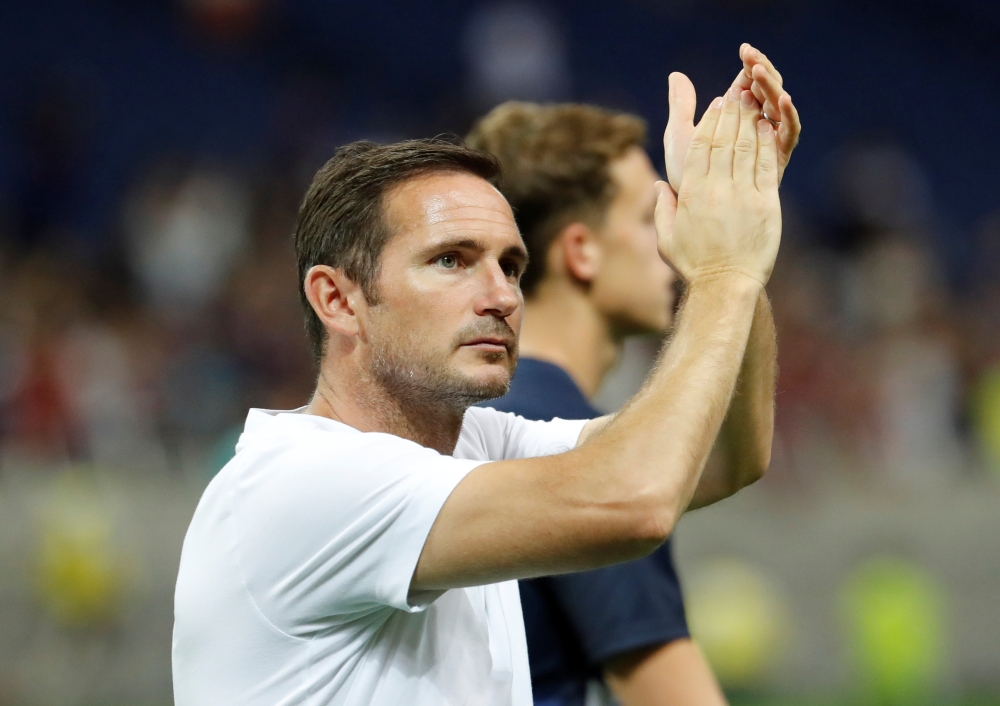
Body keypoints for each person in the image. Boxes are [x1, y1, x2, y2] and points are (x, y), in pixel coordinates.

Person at [172, 45, 792, 705]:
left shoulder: (476, 445)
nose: (501, 295)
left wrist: (740, 240)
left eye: (511, 266)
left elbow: (725, 455)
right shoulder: (302, 482)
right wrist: (723, 273)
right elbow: (635, 499)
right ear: (338, 300)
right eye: (451, 260)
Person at [465, 44, 799, 706]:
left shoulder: (498, 410)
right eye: (652, 217)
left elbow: (738, 457)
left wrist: (738, 255)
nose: (672, 238)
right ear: (581, 251)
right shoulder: (557, 433)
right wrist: (724, 265)